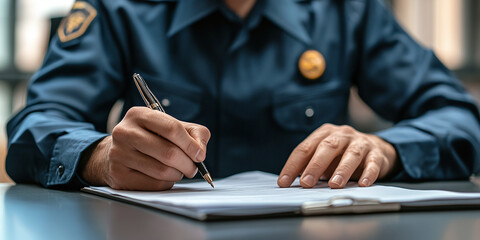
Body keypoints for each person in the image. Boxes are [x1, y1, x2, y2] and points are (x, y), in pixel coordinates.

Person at [6, 0, 480, 190]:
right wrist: (101, 156)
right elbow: (38, 122)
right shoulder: (116, 8)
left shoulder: (346, 10)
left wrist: (388, 149)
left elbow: (459, 117)